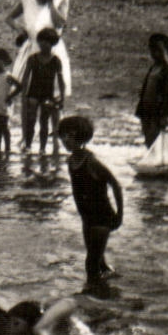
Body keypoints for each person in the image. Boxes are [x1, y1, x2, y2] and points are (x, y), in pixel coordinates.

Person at [56, 116, 122, 283]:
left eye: (67, 136)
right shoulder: (71, 161)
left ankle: (92, 297)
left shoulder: (91, 162)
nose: (64, 140)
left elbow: (116, 184)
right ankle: (107, 288)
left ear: (78, 137)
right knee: (98, 260)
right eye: (62, 136)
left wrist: (119, 215)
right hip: (87, 218)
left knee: (90, 263)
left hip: (102, 218)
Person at [7, 0, 72, 109]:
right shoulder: (27, 0)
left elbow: (60, 23)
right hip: (32, 48)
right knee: (28, 90)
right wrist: (21, 30)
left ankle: (54, 127)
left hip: (52, 48)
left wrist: (50, 3)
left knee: (53, 92)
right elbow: (10, 18)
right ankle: (28, 127)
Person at [21, 29, 65, 154]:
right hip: (33, 93)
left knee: (44, 122)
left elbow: (61, 80)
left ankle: (42, 148)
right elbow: (25, 77)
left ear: (53, 44)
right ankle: (28, 145)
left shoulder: (56, 60)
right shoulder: (32, 59)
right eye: (41, 42)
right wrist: (24, 95)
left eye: (47, 42)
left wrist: (62, 97)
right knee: (31, 120)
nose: (44, 45)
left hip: (48, 94)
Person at [135, 32, 168, 148]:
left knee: (155, 139)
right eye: (152, 50)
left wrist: (166, 115)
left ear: (166, 52)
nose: (155, 54)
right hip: (146, 110)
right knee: (148, 137)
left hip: (158, 112)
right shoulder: (153, 68)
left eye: (159, 51)